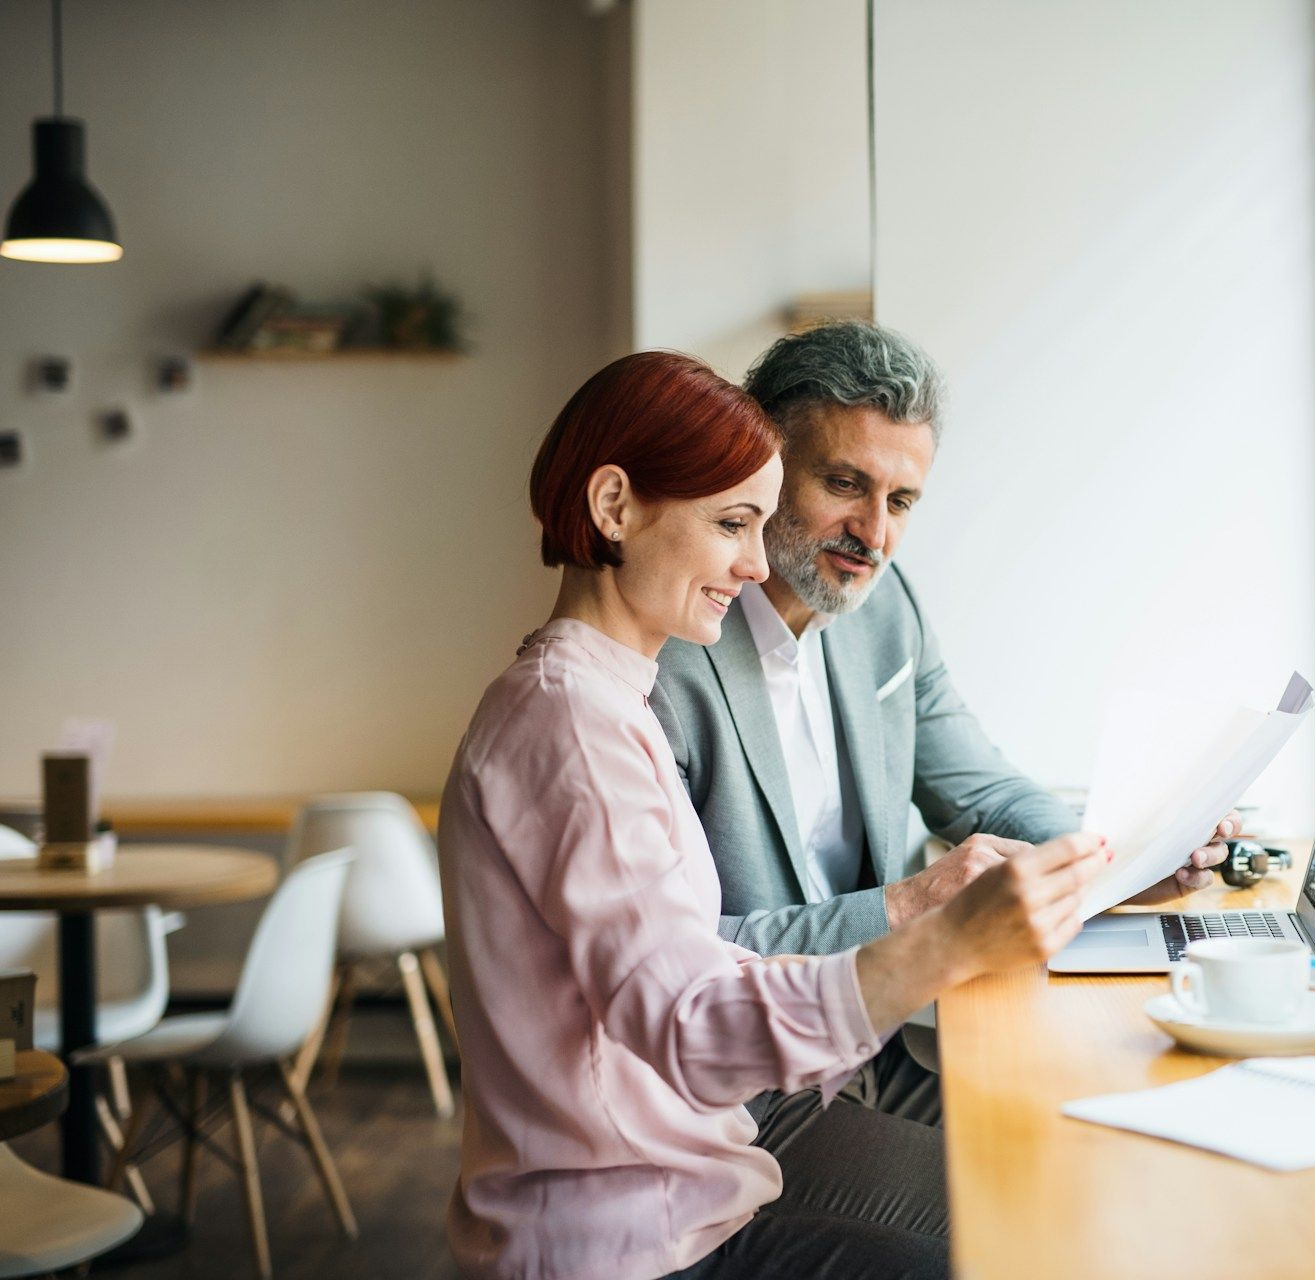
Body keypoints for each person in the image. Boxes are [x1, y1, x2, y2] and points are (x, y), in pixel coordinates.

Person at [439, 350, 1106, 1280]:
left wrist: (1098, 857)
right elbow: (687, 1022)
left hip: (689, 1167)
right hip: (633, 1219)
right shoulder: (573, 724)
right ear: (614, 506)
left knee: (1036, 1179)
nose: (754, 564)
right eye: (731, 524)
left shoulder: (598, 699)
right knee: (1013, 1229)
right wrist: (939, 937)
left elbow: (679, 968)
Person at [649, 320, 1236, 1127]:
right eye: (844, 485)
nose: (875, 535)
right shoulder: (665, 660)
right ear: (763, 463)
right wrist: (912, 903)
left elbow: (982, 788)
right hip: (745, 1095)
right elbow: (680, 956)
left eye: (900, 500)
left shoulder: (884, 609)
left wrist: (1121, 855)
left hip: (884, 1052)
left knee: (1103, 1130)